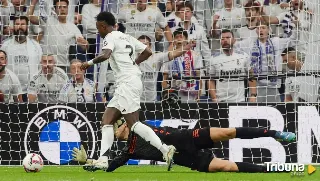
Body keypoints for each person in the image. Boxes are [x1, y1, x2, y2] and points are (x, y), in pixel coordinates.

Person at [80, 11, 176, 171]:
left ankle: (165, 150)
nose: (98, 31)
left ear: (103, 26)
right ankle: (103, 159)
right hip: (128, 82)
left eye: (98, 28)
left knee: (134, 124)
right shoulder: (126, 37)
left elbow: (106, 54)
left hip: (127, 83)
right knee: (107, 120)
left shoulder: (109, 37)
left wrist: (88, 63)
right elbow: (148, 52)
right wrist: (134, 63)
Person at [72, 121, 296, 173]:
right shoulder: (128, 150)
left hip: (188, 138)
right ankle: (275, 170)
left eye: (117, 126)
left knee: (228, 133)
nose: (115, 131)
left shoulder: (140, 125)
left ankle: (275, 134)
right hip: (186, 159)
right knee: (228, 167)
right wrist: (88, 161)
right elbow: (110, 166)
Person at [235, 22, 296, 102]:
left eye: (263, 28)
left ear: (268, 30)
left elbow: (293, 40)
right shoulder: (249, 42)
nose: (260, 30)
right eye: (258, 28)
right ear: (256, 31)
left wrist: (297, 27)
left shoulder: (276, 42)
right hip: (256, 87)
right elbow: (235, 46)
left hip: (273, 86)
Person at [27, 0, 88, 73]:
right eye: (59, 7)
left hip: (64, 66)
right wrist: (33, 2)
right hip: (48, 65)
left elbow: (85, 47)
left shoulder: (73, 27)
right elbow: (29, 17)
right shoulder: (48, 21)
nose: (62, 9)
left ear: (67, 9)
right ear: (55, 10)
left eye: (64, 7)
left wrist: (85, 44)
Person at [138, 35, 196, 102]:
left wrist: (188, 46)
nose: (142, 46)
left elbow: (173, 54)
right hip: (135, 101)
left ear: (150, 46)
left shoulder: (156, 57)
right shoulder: (131, 59)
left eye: (145, 44)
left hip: (152, 101)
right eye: (140, 44)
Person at [208, 29, 257, 102]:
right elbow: (210, 80)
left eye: (228, 38)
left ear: (234, 39)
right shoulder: (213, 59)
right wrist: (214, 98)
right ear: (220, 41)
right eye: (222, 38)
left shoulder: (243, 56)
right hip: (221, 101)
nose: (225, 40)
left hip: (240, 100)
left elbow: (251, 75)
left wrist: (253, 95)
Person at [1, 16, 42, 102]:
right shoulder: (5, 45)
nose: (19, 26)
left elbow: (40, 68)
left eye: (23, 24)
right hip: (12, 91)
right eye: (17, 24)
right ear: (13, 26)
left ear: (27, 27)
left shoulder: (35, 46)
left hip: (30, 91)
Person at [161, 28, 203, 102]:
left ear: (186, 40)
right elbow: (164, 79)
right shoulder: (168, 56)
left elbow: (199, 77)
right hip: (174, 94)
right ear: (173, 41)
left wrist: (198, 96)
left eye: (181, 37)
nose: (179, 39)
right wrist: (166, 94)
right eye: (176, 37)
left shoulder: (195, 55)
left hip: (191, 94)